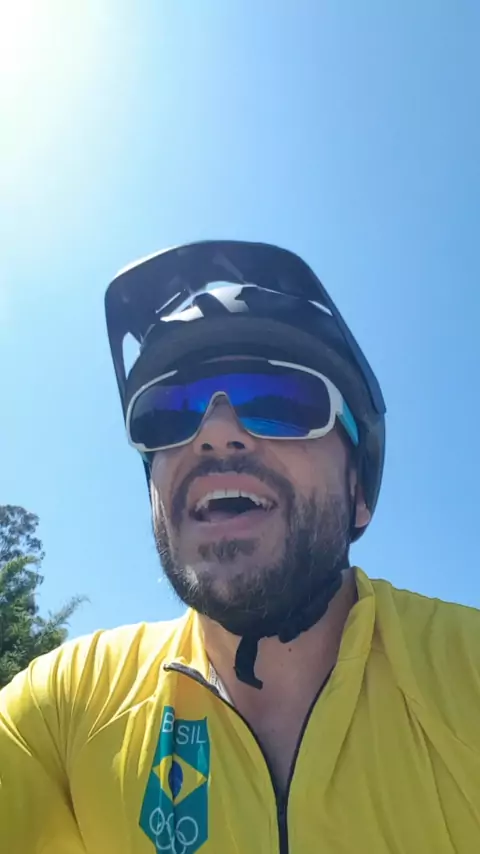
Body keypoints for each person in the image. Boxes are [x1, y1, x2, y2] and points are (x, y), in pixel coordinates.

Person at [1, 240, 479, 853]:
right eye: (168, 413)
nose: (216, 433)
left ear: (358, 490)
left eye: (279, 401)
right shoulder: (65, 711)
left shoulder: (466, 675)